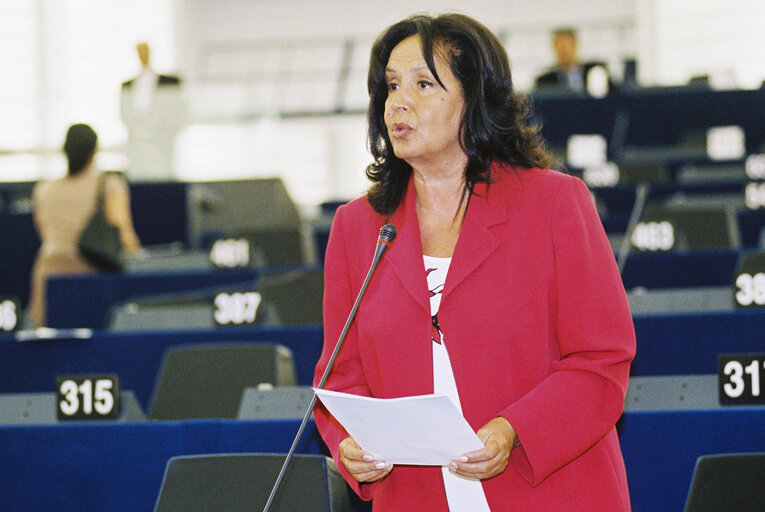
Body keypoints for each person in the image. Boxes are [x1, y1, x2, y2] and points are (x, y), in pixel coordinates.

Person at [313, 13, 635, 511]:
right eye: (391, 86)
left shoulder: (554, 203)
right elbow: (339, 376)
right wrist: (349, 447)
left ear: (475, 98)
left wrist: (514, 431)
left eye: (423, 84)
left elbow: (600, 362)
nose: (398, 102)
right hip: (417, 496)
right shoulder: (358, 227)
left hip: (548, 491)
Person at [28, 123, 141, 327]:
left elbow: (43, 232)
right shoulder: (110, 185)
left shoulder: (43, 189)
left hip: (49, 276)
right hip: (91, 279)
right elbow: (125, 237)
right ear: (94, 152)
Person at [120, 42, 185, 181]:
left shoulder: (169, 83)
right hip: (137, 151)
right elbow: (124, 114)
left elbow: (178, 112)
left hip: (163, 147)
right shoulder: (127, 85)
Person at [534, 28, 611, 96]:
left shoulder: (596, 71)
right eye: (560, 47)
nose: (564, 51)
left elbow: (614, 95)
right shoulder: (544, 82)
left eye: (567, 46)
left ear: (575, 46)